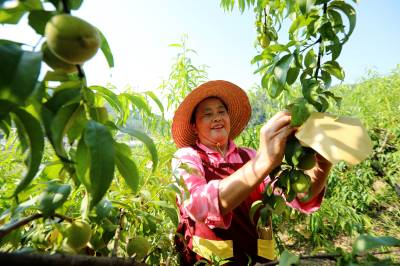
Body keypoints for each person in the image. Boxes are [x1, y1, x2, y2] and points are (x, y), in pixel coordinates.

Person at [171, 80, 332, 265]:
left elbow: (295, 195)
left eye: (221, 112)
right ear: (194, 127)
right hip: (212, 261)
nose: (216, 117)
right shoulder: (186, 158)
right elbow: (196, 205)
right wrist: (262, 163)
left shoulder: (249, 155)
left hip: (259, 259)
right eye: (207, 114)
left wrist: (323, 163)